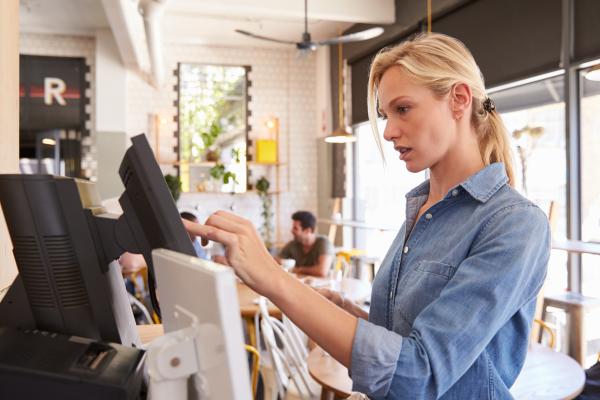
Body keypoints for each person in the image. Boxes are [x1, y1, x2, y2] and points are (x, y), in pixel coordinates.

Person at [183, 33, 550, 399]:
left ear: (459, 99)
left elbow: (418, 374)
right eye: (386, 115)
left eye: (402, 109)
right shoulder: (422, 211)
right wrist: (348, 316)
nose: (389, 131)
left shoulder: (515, 224)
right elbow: (402, 346)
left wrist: (274, 278)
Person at [276, 211, 334, 277]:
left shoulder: (324, 243)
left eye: (295, 228)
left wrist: (297, 270)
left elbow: (322, 271)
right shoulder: (293, 244)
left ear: (308, 230)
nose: (292, 231)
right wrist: (282, 262)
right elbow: (276, 260)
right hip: (302, 284)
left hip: (325, 285)